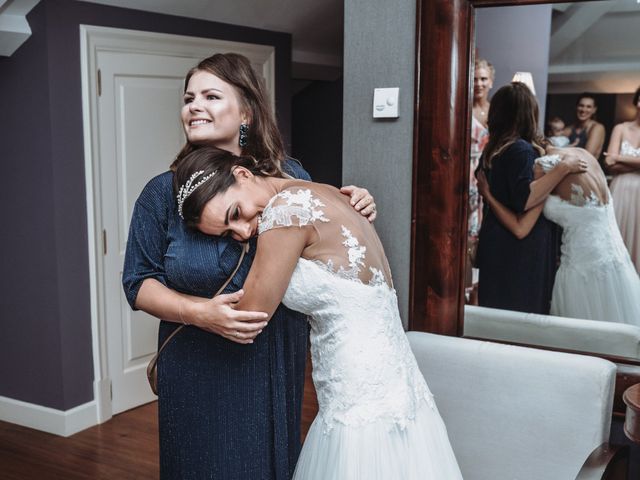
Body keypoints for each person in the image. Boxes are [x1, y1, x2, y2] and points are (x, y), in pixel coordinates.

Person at [122, 53, 377, 480]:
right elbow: (138, 283)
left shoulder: (290, 176)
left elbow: (330, 244)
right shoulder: (161, 195)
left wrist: (356, 205)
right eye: (189, 98)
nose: (194, 106)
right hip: (195, 369)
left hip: (272, 359)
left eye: (210, 95)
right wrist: (200, 313)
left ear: (246, 112)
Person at [174, 146, 464, 480]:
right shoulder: (326, 192)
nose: (242, 233)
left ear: (242, 174)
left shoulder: (284, 212)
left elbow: (249, 317)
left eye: (235, 214)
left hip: (356, 385)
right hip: (396, 377)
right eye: (227, 234)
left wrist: (196, 310)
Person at [477, 145, 640, 326]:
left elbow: (520, 228)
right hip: (617, 265)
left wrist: (488, 194)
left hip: (581, 270)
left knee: (579, 337)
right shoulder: (584, 155)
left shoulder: (546, 167)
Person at [475, 82, 586, 314]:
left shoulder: (493, 150)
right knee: (520, 318)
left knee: (495, 313)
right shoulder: (520, 150)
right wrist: (562, 169)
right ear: (528, 114)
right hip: (519, 252)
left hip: (496, 241)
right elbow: (524, 199)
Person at [466, 58, 494, 302]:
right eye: (475, 78)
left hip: (488, 172)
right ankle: (465, 285)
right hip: (465, 172)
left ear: (491, 81)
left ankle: (480, 290)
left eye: (483, 78)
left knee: (485, 227)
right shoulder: (463, 109)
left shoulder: (496, 111)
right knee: (466, 229)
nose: (478, 83)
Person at [605, 86, 640, 273]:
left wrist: (619, 157)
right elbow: (609, 162)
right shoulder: (621, 128)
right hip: (621, 189)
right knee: (616, 234)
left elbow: (614, 157)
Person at [563, 92, 606, 160]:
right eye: (581, 105)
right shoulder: (570, 128)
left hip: (588, 169)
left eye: (588, 107)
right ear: (576, 107)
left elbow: (587, 156)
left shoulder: (597, 128)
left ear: (594, 110)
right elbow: (554, 146)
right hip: (568, 168)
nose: (583, 110)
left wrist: (563, 151)